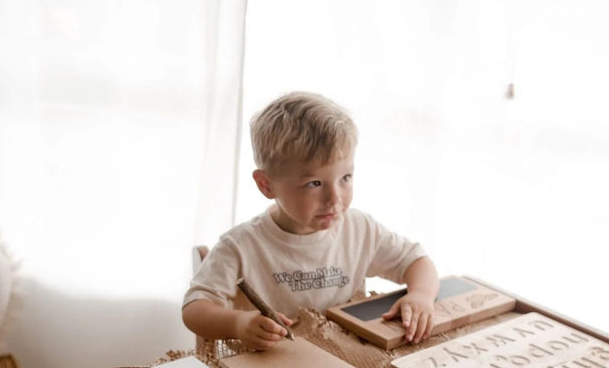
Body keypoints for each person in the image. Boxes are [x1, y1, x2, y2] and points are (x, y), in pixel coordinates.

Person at [182, 90, 439, 350]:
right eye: (314, 183)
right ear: (266, 184)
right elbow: (194, 309)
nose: (334, 198)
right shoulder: (241, 246)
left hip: (343, 361)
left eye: (345, 178)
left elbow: (416, 261)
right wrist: (237, 323)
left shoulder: (359, 229)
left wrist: (421, 295)